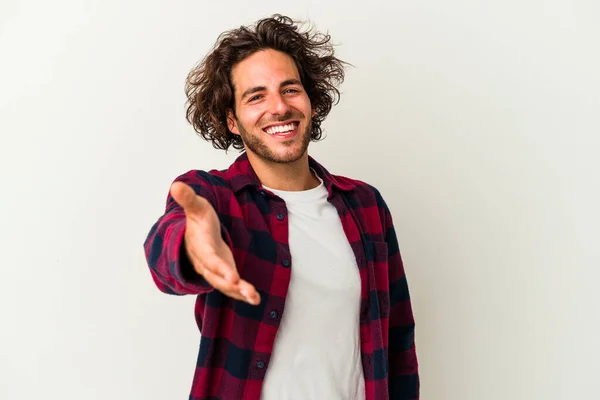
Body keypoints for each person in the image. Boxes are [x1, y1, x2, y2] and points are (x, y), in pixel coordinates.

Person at [143, 14, 419, 400]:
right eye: (256, 96)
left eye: (290, 89)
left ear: (310, 99)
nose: (278, 107)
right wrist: (194, 248)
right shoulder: (213, 196)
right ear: (232, 120)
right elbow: (165, 250)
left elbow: (398, 340)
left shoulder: (366, 205)